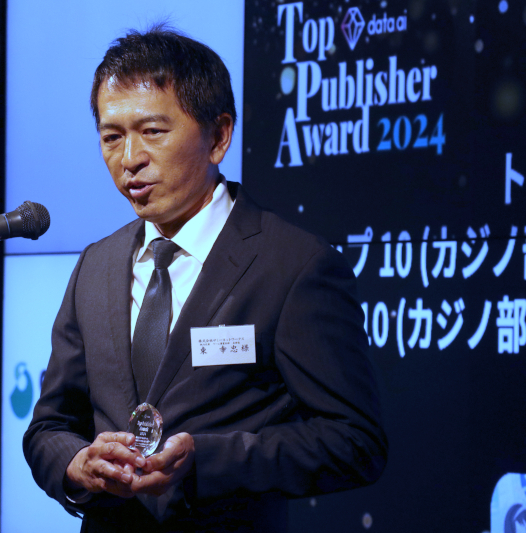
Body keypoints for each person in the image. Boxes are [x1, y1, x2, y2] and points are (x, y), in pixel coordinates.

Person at [23, 25, 387, 533]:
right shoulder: (95, 265)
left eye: (153, 132)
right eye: (112, 137)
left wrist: (209, 461)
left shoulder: (294, 264)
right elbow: (49, 427)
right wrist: (76, 464)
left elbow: (354, 441)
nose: (129, 159)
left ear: (218, 137)